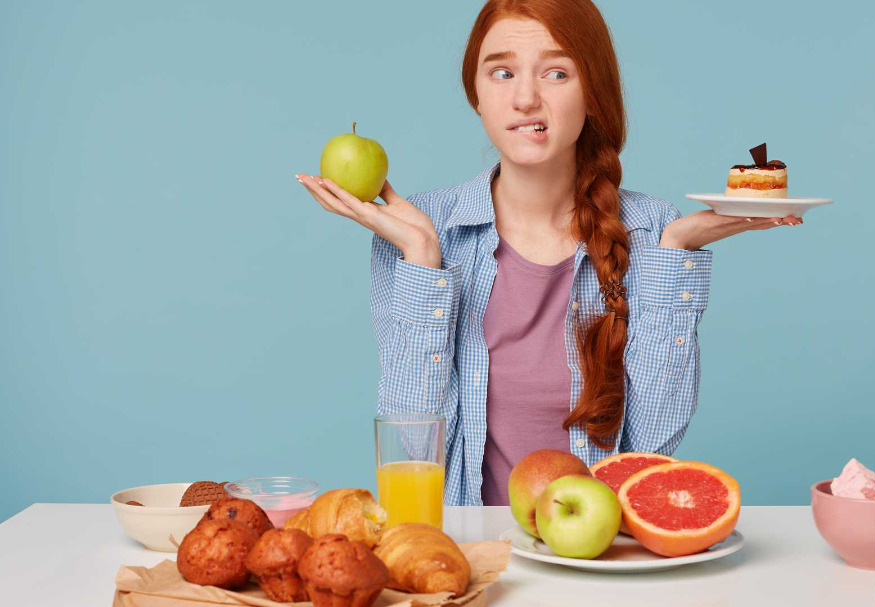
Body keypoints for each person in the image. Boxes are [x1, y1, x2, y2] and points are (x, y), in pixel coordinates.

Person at [297, 0, 801, 506]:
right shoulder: (422, 232)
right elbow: (416, 450)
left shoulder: (650, 230)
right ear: (476, 93)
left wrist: (676, 251)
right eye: (502, 72)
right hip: (472, 555)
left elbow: (649, 452)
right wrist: (422, 258)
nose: (525, 98)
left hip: (597, 555)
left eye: (556, 73)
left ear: (592, 93)